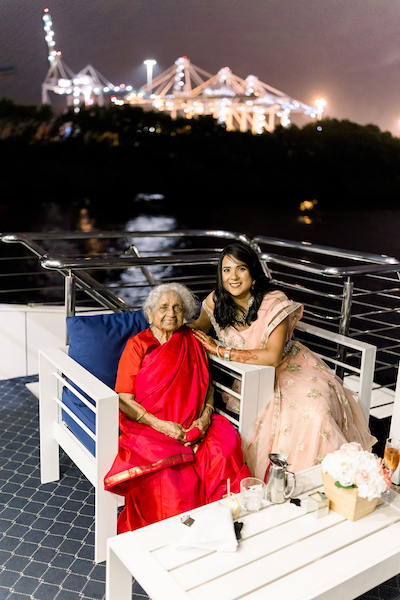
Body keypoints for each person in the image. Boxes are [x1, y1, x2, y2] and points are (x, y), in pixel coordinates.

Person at [190, 241, 376, 479]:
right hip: (251, 378)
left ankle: (320, 481)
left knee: (316, 412)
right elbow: (197, 328)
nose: (233, 277)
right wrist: (168, 326)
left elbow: (272, 356)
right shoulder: (217, 300)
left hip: (292, 369)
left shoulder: (274, 302)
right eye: (227, 270)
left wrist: (221, 351)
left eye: (241, 269)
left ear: (253, 273)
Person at [104, 282, 251, 532]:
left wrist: (203, 421)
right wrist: (163, 426)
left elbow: (208, 388)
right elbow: (124, 398)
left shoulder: (192, 340)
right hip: (149, 426)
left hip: (195, 424)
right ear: (150, 313)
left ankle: (223, 526)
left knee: (225, 448)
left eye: (177, 307)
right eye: (163, 307)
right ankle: (175, 537)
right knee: (170, 478)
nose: (171, 313)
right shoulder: (137, 344)